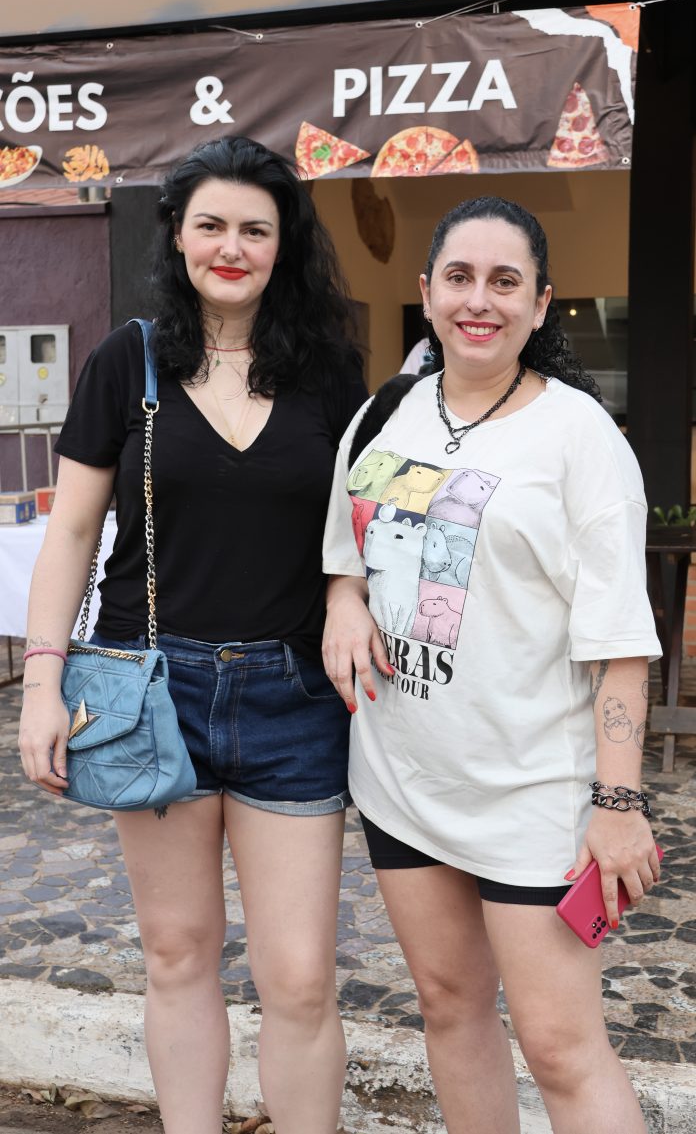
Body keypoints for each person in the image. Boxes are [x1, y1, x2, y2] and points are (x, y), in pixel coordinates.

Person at [18, 134, 367, 1134]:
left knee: (299, 976)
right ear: (177, 234)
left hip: (294, 695)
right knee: (177, 952)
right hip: (150, 686)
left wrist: (347, 595)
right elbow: (72, 532)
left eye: (255, 229)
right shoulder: (125, 359)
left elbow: (360, 522)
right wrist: (42, 683)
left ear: (282, 244)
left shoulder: (330, 370)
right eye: (211, 224)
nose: (232, 247)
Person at [322, 195, 662, 1133]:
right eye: (460, 278)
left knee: (560, 1046)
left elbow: (620, 642)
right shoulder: (385, 412)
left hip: (531, 797)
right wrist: (343, 600)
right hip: (402, 778)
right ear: (427, 291)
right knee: (449, 1006)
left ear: (541, 302)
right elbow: (346, 556)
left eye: (506, 281)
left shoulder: (580, 435)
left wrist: (618, 803)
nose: (481, 300)